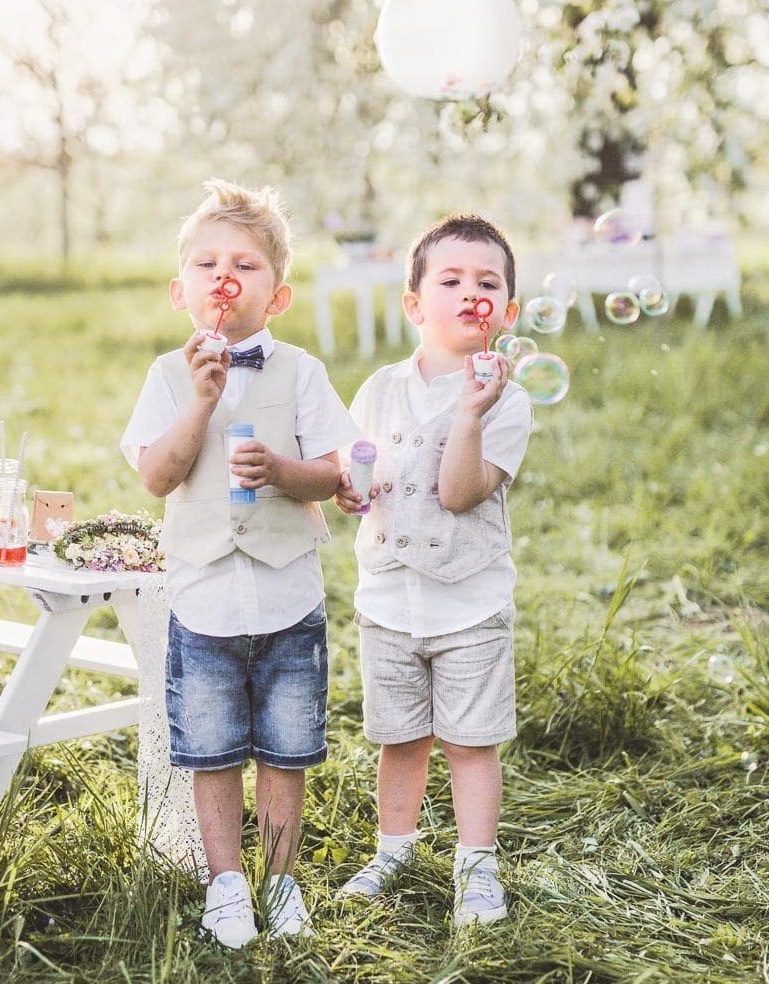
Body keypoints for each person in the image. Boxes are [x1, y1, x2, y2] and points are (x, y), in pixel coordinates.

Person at [121, 178, 360, 948]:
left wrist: (283, 474)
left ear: (278, 295)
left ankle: (281, 882)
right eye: (208, 262)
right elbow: (158, 476)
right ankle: (227, 884)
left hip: (289, 596)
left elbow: (337, 470)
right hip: (203, 599)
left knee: (286, 750)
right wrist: (199, 402)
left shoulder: (304, 372)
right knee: (213, 750)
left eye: (247, 264)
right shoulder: (166, 376)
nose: (226, 276)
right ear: (180, 288)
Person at [333, 214, 532, 927]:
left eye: (487, 283)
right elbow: (356, 465)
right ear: (415, 304)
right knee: (400, 739)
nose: (469, 293)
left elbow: (457, 492)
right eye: (450, 280)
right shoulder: (380, 387)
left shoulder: (509, 401)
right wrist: (347, 486)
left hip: (468, 605)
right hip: (387, 599)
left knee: (470, 744)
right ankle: (394, 849)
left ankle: (477, 868)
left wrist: (471, 413)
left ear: (506, 314)